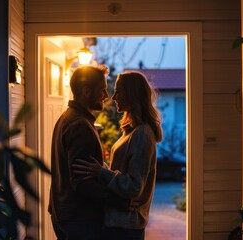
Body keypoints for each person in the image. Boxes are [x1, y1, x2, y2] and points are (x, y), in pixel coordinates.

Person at [73, 71, 163, 240]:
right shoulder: (131, 131)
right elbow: (120, 173)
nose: (113, 97)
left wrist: (101, 172)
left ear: (132, 94)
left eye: (118, 91)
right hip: (117, 224)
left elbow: (134, 186)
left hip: (126, 227)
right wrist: (100, 169)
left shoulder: (142, 134)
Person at [48, 65, 129, 240]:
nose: (106, 96)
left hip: (66, 214)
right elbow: (81, 181)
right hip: (79, 219)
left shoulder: (67, 117)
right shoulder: (79, 125)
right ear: (86, 91)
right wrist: (120, 201)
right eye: (102, 90)